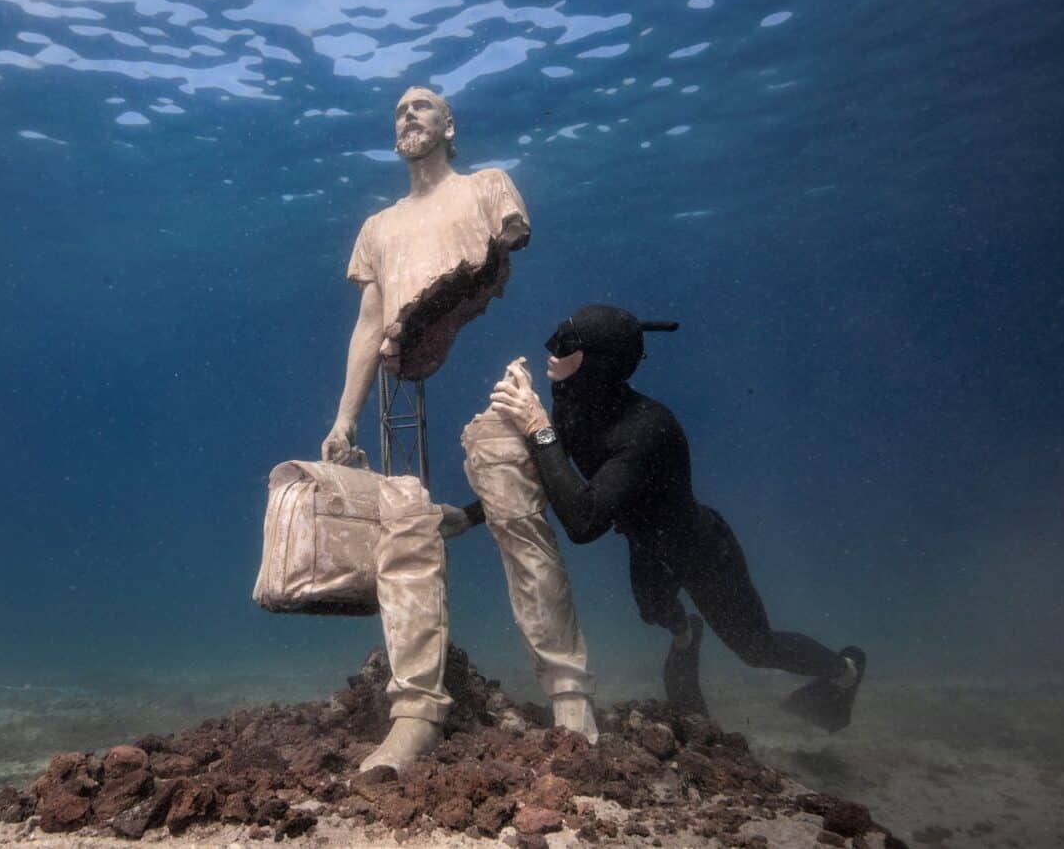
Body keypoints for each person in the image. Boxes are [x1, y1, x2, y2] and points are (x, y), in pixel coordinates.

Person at [320, 87, 596, 775]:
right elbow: (367, 325)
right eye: (398, 110)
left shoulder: (489, 188)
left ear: (450, 124)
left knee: (516, 514)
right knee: (403, 527)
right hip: (401, 389)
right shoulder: (379, 227)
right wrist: (343, 417)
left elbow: (508, 245)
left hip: (508, 378)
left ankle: (568, 693)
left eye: (422, 106)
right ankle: (415, 710)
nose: (407, 114)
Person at [449, 304, 866, 732]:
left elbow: (584, 522)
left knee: (756, 650)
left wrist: (538, 428)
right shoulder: (575, 405)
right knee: (655, 613)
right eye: (555, 339)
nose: (551, 353)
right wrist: (466, 517)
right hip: (647, 545)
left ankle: (845, 670)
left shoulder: (648, 429)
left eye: (565, 345)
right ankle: (688, 634)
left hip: (702, 551)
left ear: (597, 361)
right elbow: (549, 477)